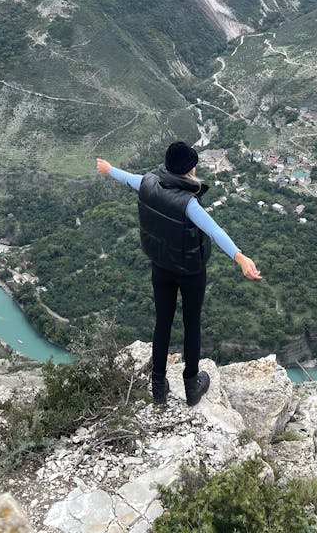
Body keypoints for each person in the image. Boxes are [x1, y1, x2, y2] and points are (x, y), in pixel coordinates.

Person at [96, 141, 261, 407]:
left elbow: (129, 178)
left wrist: (109, 169)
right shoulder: (188, 203)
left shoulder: (149, 183)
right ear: (190, 169)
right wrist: (240, 257)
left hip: (161, 266)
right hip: (190, 272)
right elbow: (215, 231)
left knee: (162, 322)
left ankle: (158, 387)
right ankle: (191, 386)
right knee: (191, 324)